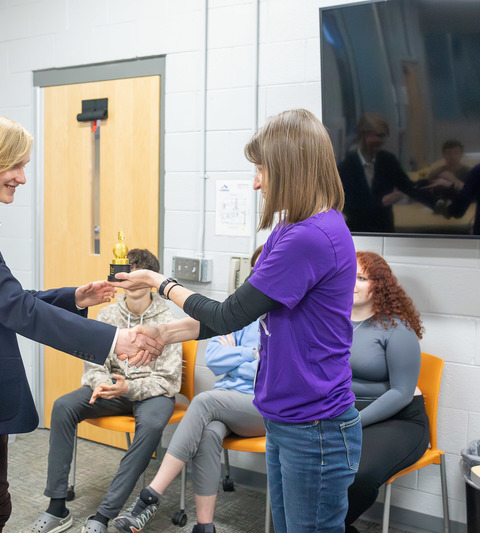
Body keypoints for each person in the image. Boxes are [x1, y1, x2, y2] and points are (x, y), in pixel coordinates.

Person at [0, 114, 161, 533]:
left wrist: (73, 297)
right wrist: (114, 339)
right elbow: (13, 307)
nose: (23, 178)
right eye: (15, 166)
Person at [112, 109, 362, 533]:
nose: (256, 183)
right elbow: (236, 315)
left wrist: (160, 282)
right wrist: (164, 333)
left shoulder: (311, 237)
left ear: (290, 169)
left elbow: (226, 314)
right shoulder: (290, 229)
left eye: (262, 170)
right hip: (286, 416)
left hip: (314, 425)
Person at [27, 248, 182, 533]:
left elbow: (169, 380)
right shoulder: (108, 313)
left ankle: (104, 514)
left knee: (151, 424)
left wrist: (130, 386)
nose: (132, 285)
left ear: (149, 281)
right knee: (63, 406)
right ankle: (57, 506)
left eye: (139, 278)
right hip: (112, 390)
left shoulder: (168, 319)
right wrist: (102, 382)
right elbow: (94, 360)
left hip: (152, 394)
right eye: (127, 277)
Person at [113, 246, 266, 533]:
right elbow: (215, 359)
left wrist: (240, 355)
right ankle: (205, 527)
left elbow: (264, 373)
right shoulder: (242, 314)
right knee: (208, 433)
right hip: (229, 404)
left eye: (264, 270)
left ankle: (149, 497)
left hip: (262, 407)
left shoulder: (281, 317)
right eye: (254, 270)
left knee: (206, 402)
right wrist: (250, 354)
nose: (257, 277)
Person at [344, 251, 429, 533]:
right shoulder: (330, 321)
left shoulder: (396, 328)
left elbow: (402, 392)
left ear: (378, 284)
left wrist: (353, 422)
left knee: (357, 474)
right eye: (348, 274)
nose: (352, 283)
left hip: (397, 419)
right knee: (304, 462)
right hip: (345, 414)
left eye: (361, 277)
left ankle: (330, 526)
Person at [337, 111, 437, 233]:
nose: (380, 140)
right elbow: (348, 208)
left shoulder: (388, 160)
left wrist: (437, 202)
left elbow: (409, 187)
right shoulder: (347, 166)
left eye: (382, 136)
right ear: (363, 135)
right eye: (376, 135)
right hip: (359, 233)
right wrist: (381, 202)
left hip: (386, 231)